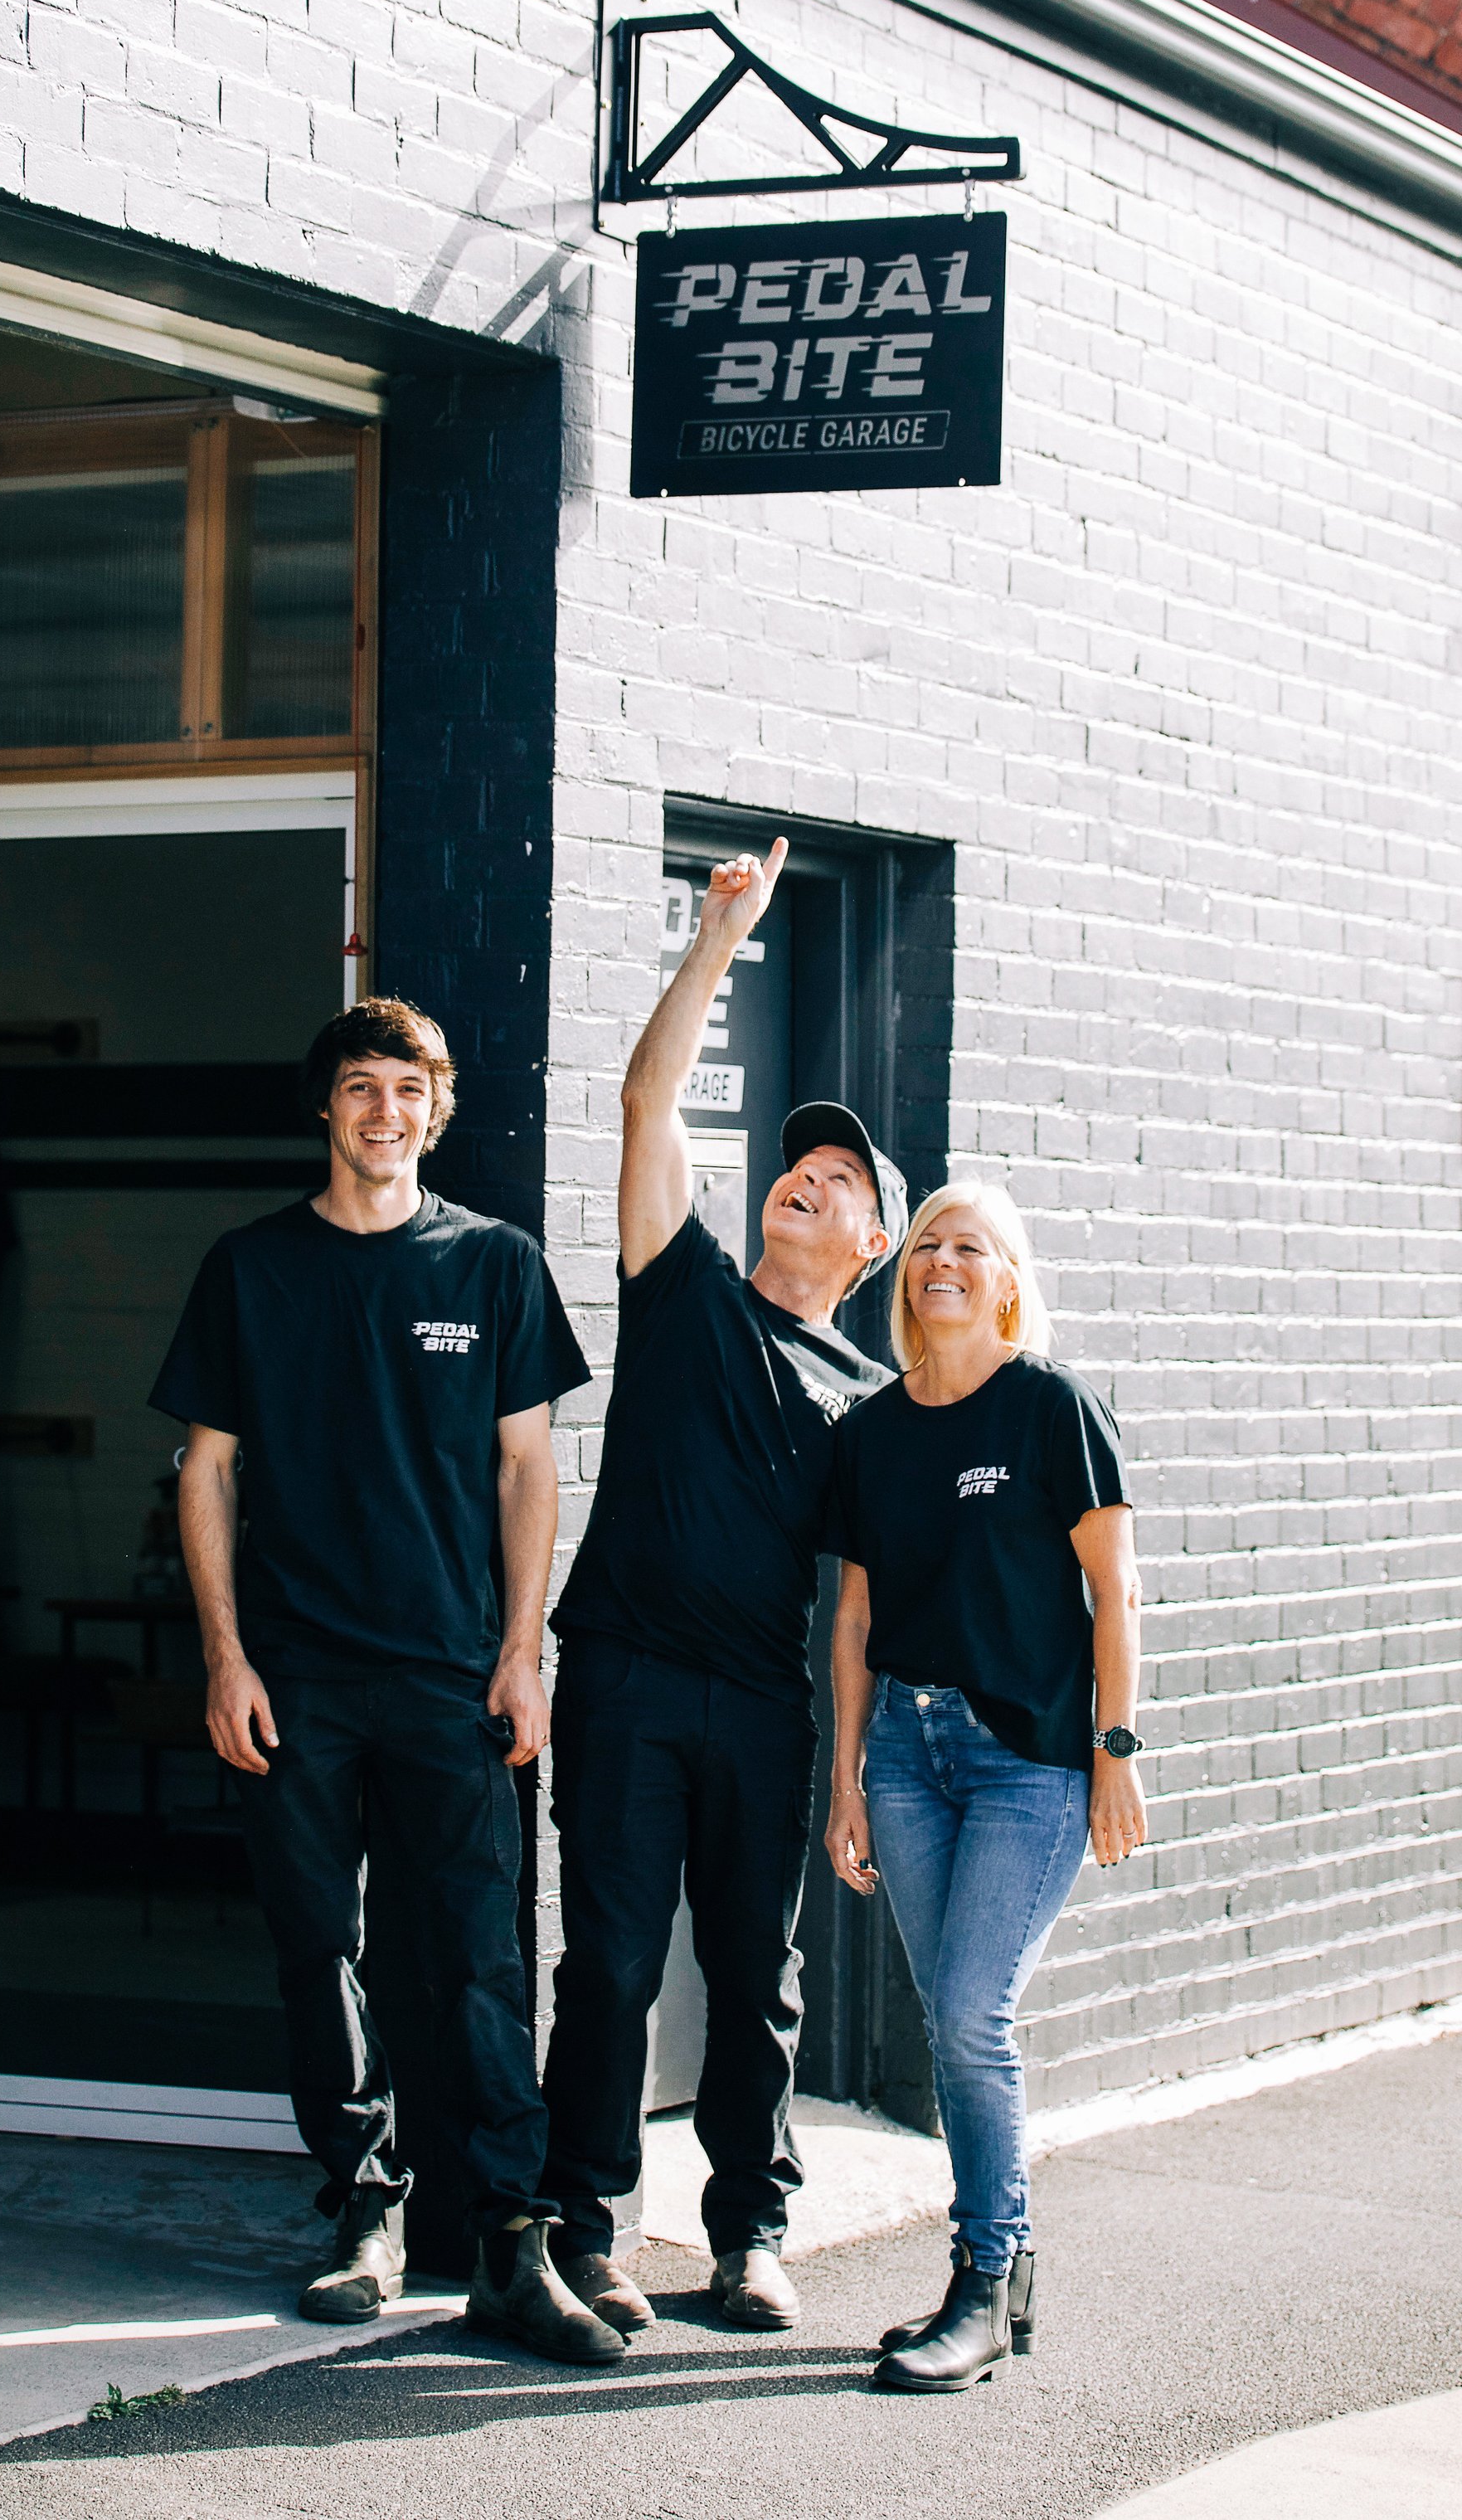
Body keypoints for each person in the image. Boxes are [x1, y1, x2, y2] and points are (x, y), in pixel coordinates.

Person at [154, 995, 623, 2366]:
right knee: (323, 1949)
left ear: (437, 1109)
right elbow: (208, 1470)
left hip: (449, 1677)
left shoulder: (493, 1267)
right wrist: (226, 1656)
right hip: (293, 1674)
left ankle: (511, 2245)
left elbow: (529, 1467)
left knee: (479, 1956)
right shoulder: (252, 1269)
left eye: (407, 1089)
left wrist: (520, 1652)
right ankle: (363, 2205)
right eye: (360, 1087)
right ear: (328, 1108)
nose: (384, 1112)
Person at [540, 840, 905, 2335]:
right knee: (614, 1963)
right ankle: (584, 2223)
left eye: (839, 1189)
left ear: (873, 1244)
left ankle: (750, 2232)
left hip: (761, 1708)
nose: (805, 1187)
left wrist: (861, 1767)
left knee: (758, 1978)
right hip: (624, 1678)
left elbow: (877, 1602)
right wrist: (719, 946)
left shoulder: (876, 1398)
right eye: (799, 1170)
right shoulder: (680, 1284)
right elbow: (647, 1101)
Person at [825, 1178, 1146, 2392]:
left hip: (1027, 1757)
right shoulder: (871, 1432)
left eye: (969, 1246)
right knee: (957, 2017)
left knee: (969, 2014)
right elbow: (854, 1615)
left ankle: (985, 2268)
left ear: (1007, 1278)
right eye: (925, 1246)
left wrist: (1114, 1753)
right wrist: (847, 1776)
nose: (941, 1261)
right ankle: (998, 2277)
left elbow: (1116, 1592)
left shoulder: (1050, 1408)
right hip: (905, 1755)